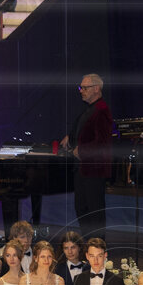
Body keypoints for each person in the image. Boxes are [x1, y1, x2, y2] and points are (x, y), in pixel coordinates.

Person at [60, 74, 112, 238]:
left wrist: (80, 151)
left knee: (94, 212)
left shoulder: (101, 110)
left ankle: (97, 246)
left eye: (84, 88)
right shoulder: (90, 109)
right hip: (84, 169)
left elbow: (102, 143)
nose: (81, 91)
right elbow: (83, 132)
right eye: (80, 87)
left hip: (94, 170)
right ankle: (90, 244)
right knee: (82, 209)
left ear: (96, 89)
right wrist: (70, 138)